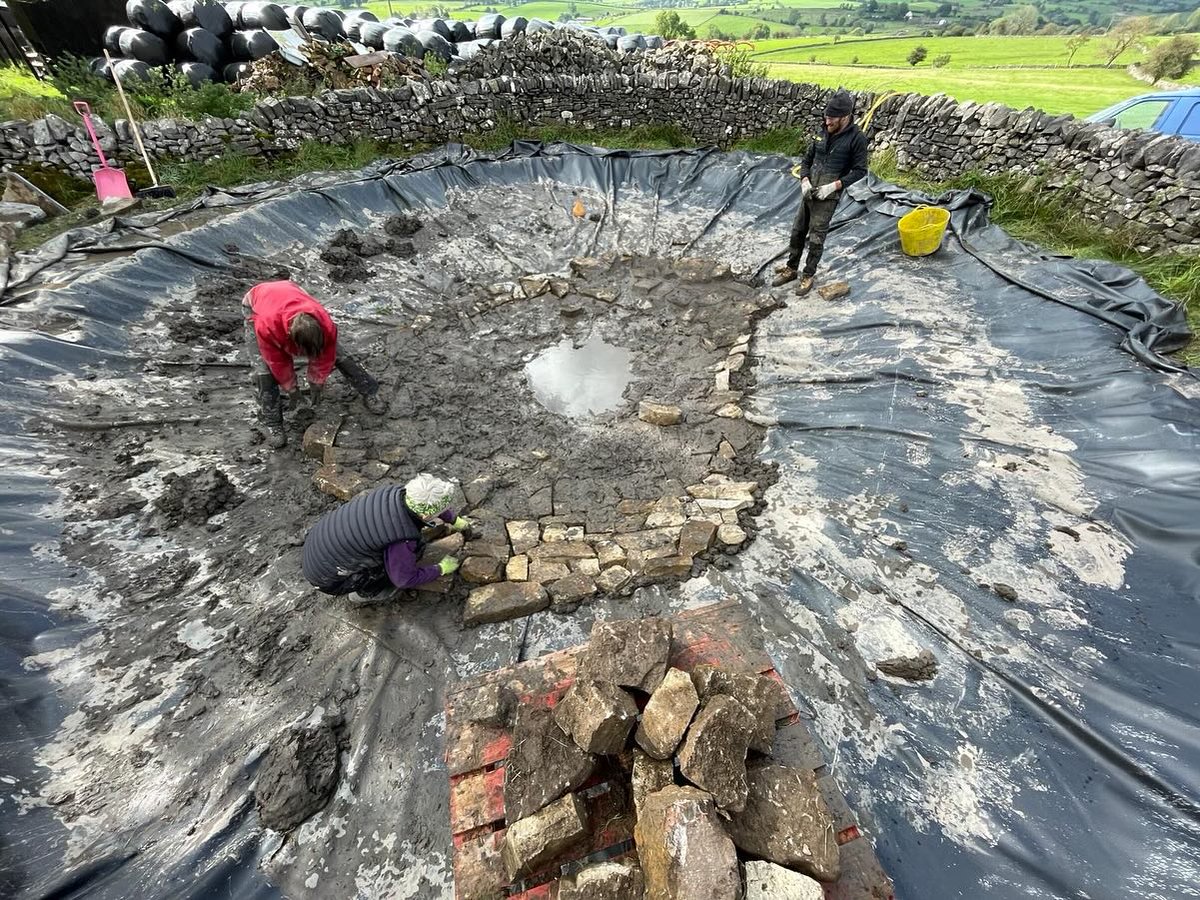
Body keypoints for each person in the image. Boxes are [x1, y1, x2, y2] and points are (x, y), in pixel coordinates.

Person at [243, 280, 387, 449]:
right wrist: (292, 390)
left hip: (292, 292)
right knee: (264, 371)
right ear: (291, 339)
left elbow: (326, 354)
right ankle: (273, 424)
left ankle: (369, 391)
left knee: (338, 354)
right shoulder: (266, 326)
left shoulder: (325, 324)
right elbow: (278, 362)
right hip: (256, 304)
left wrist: (316, 381)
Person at [301, 474, 473, 604]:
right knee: (396, 571)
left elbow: (431, 505)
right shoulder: (400, 538)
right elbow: (404, 579)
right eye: (438, 512)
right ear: (425, 515)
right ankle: (367, 593)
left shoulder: (400, 493)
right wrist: (440, 569)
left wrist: (454, 520)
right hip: (327, 578)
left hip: (318, 544)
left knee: (413, 549)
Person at [773, 88, 870, 295]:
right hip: (810, 189)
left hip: (828, 194)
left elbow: (860, 170)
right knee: (798, 231)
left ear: (845, 117)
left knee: (817, 236)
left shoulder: (856, 139)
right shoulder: (821, 132)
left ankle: (808, 275)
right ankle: (791, 268)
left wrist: (833, 186)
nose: (827, 123)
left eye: (832, 119)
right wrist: (805, 180)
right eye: (826, 118)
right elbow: (807, 160)